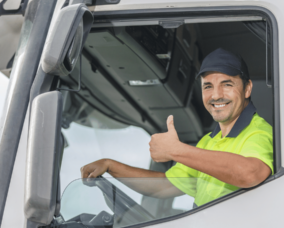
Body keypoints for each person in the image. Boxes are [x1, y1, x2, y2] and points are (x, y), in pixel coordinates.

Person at [80, 47, 273, 207]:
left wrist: (176, 150)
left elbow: (251, 173)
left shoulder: (258, 132)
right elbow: (164, 186)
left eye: (227, 84)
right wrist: (110, 165)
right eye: (208, 86)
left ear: (247, 88)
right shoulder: (208, 142)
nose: (216, 95)